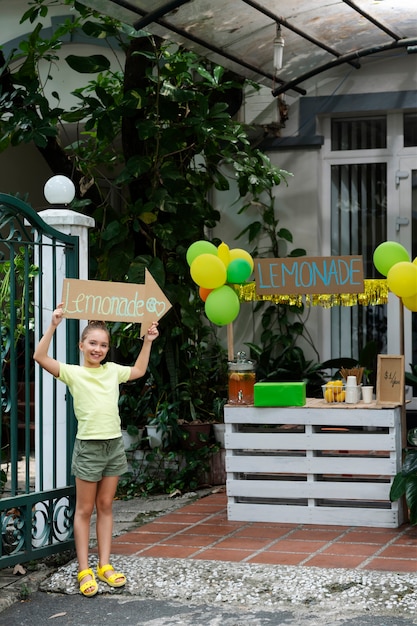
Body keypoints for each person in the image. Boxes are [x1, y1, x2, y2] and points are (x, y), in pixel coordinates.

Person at [33, 303, 159, 597]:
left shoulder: (113, 371)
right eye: (92, 343)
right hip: (88, 448)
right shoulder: (73, 373)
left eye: (103, 344)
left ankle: (104, 565)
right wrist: (53, 324)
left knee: (105, 506)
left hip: (113, 445)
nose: (98, 348)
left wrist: (148, 341)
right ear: (82, 345)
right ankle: (83, 569)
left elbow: (140, 369)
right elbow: (39, 356)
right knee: (84, 509)